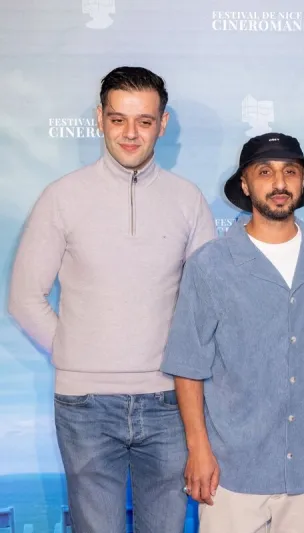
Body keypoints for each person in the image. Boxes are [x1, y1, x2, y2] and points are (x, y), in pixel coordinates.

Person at [7, 66, 215, 533]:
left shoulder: (187, 200)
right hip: (83, 404)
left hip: (168, 401)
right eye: (118, 119)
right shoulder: (61, 197)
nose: (130, 133)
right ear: (100, 119)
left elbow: (204, 306)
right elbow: (24, 297)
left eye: (144, 121)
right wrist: (75, 353)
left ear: (162, 124)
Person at [160, 133, 304, 533]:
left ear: (302, 181)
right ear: (245, 184)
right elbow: (188, 365)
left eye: (289, 171)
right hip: (233, 469)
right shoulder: (211, 265)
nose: (279, 183)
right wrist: (198, 450)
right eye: (265, 172)